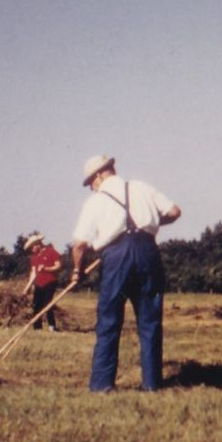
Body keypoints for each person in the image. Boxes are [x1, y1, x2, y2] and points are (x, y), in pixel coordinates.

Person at [70, 154, 181, 393]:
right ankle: (151, 384)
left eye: (91, 182)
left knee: (109, 320)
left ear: (99, 174)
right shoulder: (142, 187)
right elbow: (174, 212)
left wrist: (76, 272)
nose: (91, 188)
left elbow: (79, 244)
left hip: (116, 257)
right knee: (150, 321)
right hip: (148, 253)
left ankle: (101, 385)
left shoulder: (96, 201)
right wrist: (150, 223)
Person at [21, 233, 64, 332]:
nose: (32, 250)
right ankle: (37, 328)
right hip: (38, 283)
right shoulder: (33, 257)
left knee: (47, 304)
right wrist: (27, 287)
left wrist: (46, 268)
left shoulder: (51, 251)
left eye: (32, 247)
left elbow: (58, 266)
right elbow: (33, 273)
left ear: (37, 244)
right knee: (36, 305)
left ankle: (51, 327)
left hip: (50, 282)